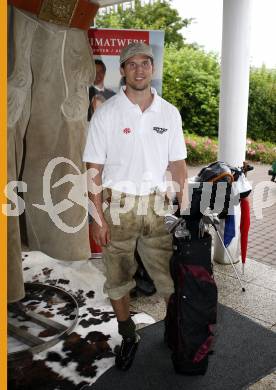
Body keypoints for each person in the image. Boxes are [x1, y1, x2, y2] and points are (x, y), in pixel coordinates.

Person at [83, 42, 188, 371]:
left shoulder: (169, 113)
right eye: (133, 64)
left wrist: (183, 211)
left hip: (157, 207)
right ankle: (129, 335)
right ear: (123, 70)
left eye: (146, 63)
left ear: (152, 69)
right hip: (118, 208)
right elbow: (93, 170)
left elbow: (178, 165)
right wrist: (96, 217)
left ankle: (176, 332)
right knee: (118, 279)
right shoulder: (107, 113)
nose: (140, 69)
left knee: (171, 279)